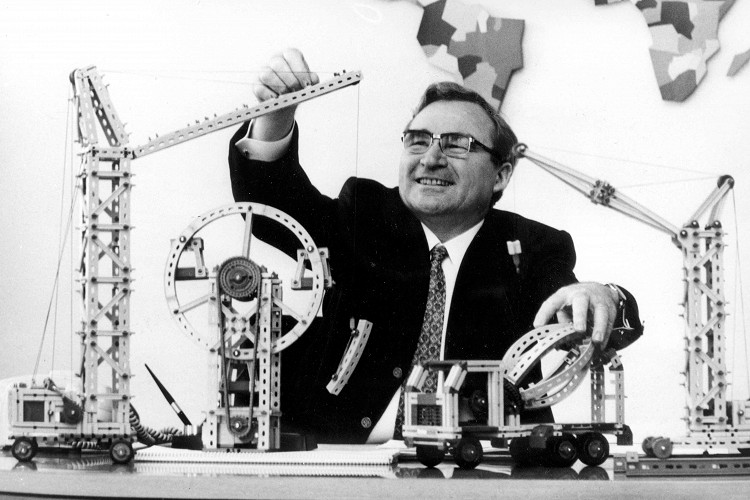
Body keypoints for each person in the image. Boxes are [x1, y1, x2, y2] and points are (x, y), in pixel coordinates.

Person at [228, 49, 643, 444]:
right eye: (417, 140)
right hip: (348, 455)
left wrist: (602, 296)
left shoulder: (533, 245)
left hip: (486, 464)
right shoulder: (364, 215)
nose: (431, 158)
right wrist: (275, 117)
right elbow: (272, 207)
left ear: (501, 174)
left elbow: (570, 298)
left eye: (457, 144)